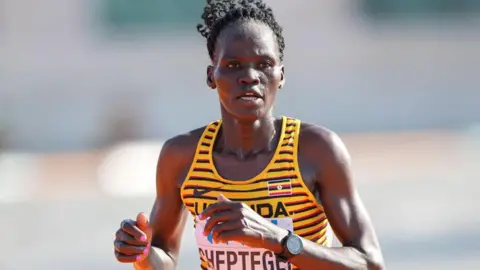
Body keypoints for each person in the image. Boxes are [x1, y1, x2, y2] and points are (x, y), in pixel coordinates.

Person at [113, 0, 385, 269]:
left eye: (264, 63)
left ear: (281, 74)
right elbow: (165, 258)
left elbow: (369, 262)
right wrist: (142, 253)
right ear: (211, 76)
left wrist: (277, 239)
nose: (250, 77)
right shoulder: (183, 156)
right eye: (233, 65)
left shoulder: (316, 150)